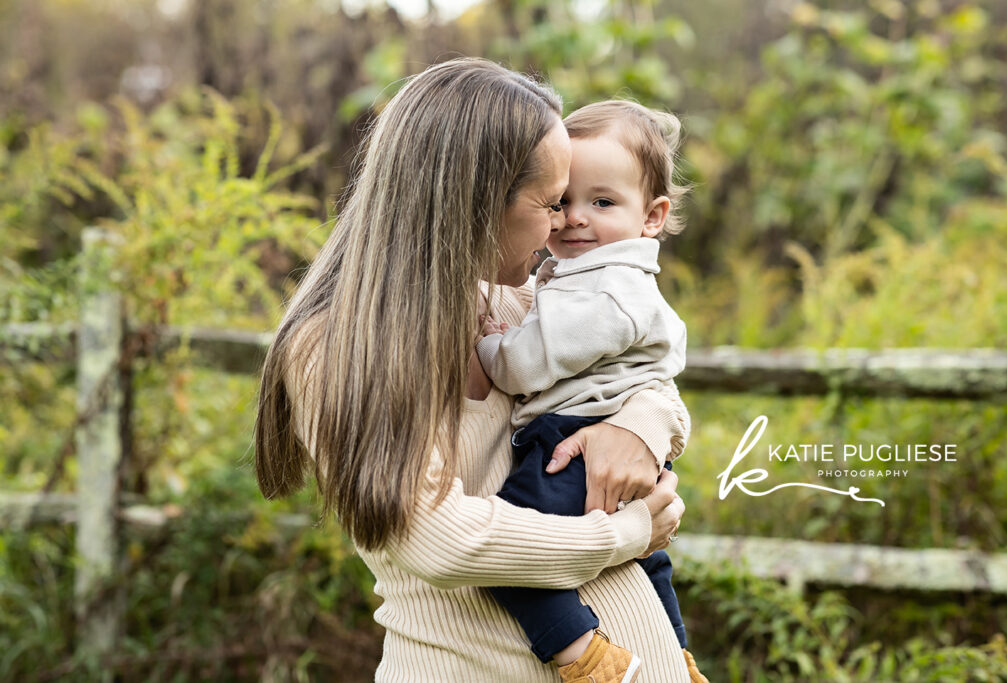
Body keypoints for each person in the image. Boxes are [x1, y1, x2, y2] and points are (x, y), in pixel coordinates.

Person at [254, 58, 692, 682]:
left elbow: (652, 376)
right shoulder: (335, 349)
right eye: (550, 203)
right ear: (477, 201)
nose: (559, 228)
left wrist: (639, 428)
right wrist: (626, 534)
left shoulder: (515, 306)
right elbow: (440, 538)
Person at [476, 100, 706, 683]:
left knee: (508, 555)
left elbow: (527, 365)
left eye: (601, 202)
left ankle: (584, 655)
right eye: (560, 201)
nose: (573, 218)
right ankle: (678, 657)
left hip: (571, 440)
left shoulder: (607, 289)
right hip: (589, 435)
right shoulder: (584, 278)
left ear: (652, 216)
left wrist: (491, 347)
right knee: (650, 560)